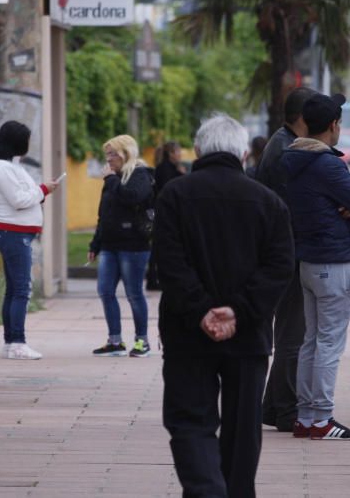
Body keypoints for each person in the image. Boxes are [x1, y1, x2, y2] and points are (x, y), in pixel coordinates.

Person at [156, 114, 294, 497]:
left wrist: (201, 309)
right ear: (245, 153)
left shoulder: (174, 196)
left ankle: (205, 489)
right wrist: (239, 311)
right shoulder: (269, 202)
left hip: (187, 331)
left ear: (198, 151)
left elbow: (169, 263)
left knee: (190, 420)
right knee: (242, 427)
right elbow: (280, 266)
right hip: (247, 336)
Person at [282, 92, 350, 440]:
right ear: (334, 126)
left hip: (307, 261)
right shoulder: (327, 165)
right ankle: (321, 418)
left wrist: (348, 205)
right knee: (329, 344)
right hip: (333, 263)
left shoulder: (293, 159)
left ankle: (305, 417)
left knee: (311, 341)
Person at [257, 86, 316, 433]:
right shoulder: (286, 150)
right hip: (287, 253)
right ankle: (286, 410)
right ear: (303, 118)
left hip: (282, 250)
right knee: (293, 335)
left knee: (292, 332)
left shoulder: (280, 142)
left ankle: (272, 407)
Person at [0, 121, 60, 360]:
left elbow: (26, 197)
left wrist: (39, 192)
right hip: (13, 233)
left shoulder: (13, 166)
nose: (28, 145)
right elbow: (19, 199)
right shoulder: (1, 167)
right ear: (16, 141)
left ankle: (11, 342)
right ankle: (18, 343)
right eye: (26, 140)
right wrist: (43, 190)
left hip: (18, 233)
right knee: (21, 290)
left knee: (14, 290)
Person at [88, 134, 155, 358]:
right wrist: (95, 244)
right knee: (105, 291)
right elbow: (103, 215)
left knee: (134, 293)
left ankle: (142, 341)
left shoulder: (139, 174)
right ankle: (115, 340)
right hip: (109, 245)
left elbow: (133, 197)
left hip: (133, 245)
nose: (109, 159)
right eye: (107, 154)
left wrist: (111, 180)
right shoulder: (112, 179)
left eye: (113, 154)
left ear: (126, 153)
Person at [147, 141, 186, 292]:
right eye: (178, 152)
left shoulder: (164, 168)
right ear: (171, 154)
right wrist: (181, 175)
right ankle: (154, 278)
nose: (180, 155)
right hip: (164, 214)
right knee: (159, 247)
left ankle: (153, 278)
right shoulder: (166, 170)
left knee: (157, 247)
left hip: (161, 212)